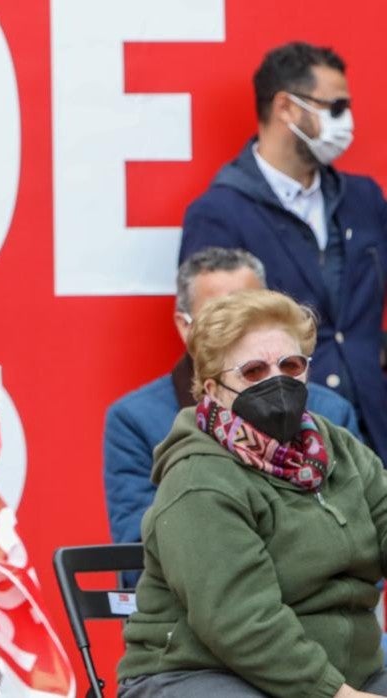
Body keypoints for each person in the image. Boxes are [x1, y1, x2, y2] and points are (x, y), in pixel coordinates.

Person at [117, 289, 387, 698]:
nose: (278, 382)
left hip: (348, 670)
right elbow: (241, 621)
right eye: (254, 371)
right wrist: (337, 694)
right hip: (198, 673)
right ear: (212, 388)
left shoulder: (340, 449)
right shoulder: (198, 478)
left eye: (291, 365)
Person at [179, 41, 387, 465]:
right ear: (286, 108)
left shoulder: (365, 199)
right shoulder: (220, 212)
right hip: (289, 439)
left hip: (375, 428)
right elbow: (211, 342)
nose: (345, 121)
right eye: (334, 107)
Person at [104, 248, 359, 554]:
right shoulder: (135, 420)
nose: (240, 330)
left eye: (251, 313)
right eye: (219, 319)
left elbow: (366, 527)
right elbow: (139, 550)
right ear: (185, 326)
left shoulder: (329, 413)